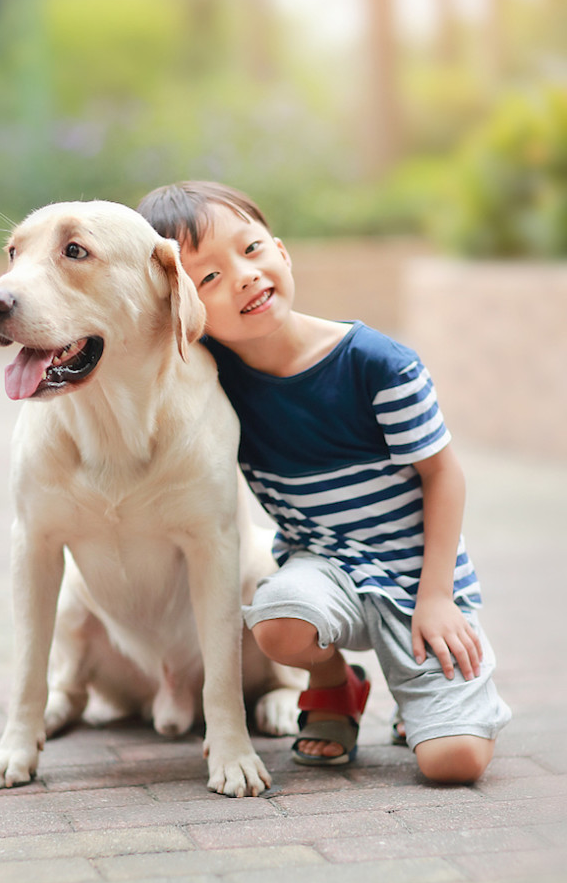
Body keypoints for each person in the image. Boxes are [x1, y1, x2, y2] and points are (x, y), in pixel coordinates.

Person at [137, 181, 511, 784]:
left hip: (419, 579)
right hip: (325, 570)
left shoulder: (378, 365)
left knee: (454, 764)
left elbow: (444, 475)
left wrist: (437, 598)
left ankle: (432, 709)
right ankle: (335, 686)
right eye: (206, 278)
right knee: (274, 620)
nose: (243, 277)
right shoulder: (214, 380)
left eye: (252, 249)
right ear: (186, 307)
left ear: (282, 251)